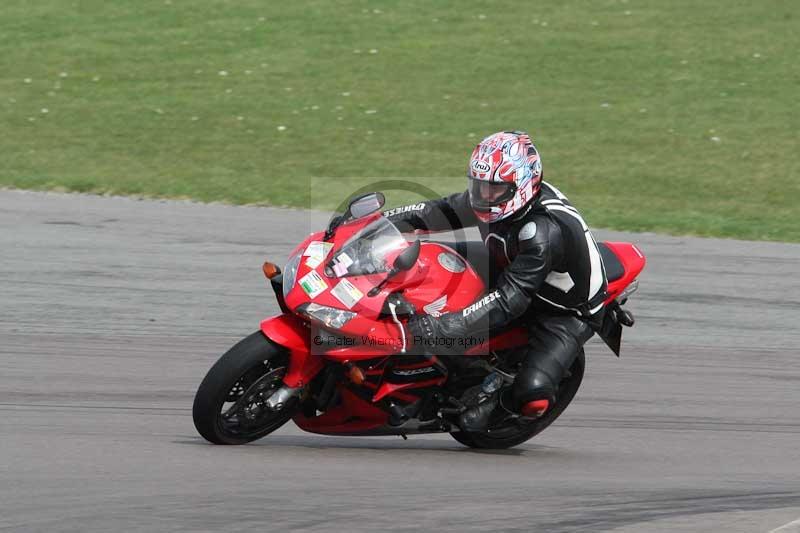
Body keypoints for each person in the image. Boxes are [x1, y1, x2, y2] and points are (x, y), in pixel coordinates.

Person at [384, 130, 608, 432]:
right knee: (429, 264)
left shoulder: (543, 233)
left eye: (494, 190)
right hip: (509, 262)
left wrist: (446, 326)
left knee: (533, 394)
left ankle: (499, 404)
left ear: (522, 187)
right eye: (478, 187)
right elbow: (436, 211)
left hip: (563, 309)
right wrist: (381, 221)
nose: (482, 197)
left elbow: (509, 300)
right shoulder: (494, 200)